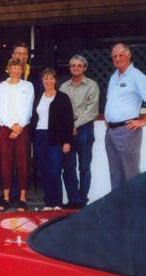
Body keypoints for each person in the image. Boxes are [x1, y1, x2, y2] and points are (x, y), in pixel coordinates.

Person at [105, 43, 146, 190]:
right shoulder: (114, 77)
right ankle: (119, 209)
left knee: (130, 175)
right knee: (115, 174)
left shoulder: (136, 75)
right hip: (111, 132)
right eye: (114, 56)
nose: (117, 58)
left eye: (121, 55)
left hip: (127, 131)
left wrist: (145, 120)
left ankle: (135, 210)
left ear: (129, 55)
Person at [0, 58, 34, 212]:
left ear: (22, 70)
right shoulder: (1, 87)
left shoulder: (28, 86)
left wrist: (19, 127)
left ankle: (22, 198)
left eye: (19, 68)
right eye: (13, 68)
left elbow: (28, 108)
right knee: (5, 163)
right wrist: (11, 126)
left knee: (23, 163)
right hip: (5, 128)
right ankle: (6, 197)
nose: (16, 71)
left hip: (22, 128)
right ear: (8, 69)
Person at [60, 55, 100, 209]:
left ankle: (82, 200)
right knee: (68, 167)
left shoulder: (92, 86)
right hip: (67, 131)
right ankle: (73, 199)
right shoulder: (63, 87)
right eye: (73, 65)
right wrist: (68, 127)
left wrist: (74, 124)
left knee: (84, 167)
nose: (75, 68)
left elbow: (92, 111)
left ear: (85, 68)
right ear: (69, 68)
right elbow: (61, 109)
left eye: (79, 65)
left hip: (84, 129)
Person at [31, 68, 74, 211]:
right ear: (42, 81)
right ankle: (48, 203)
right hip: (39, 136)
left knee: (54, 171)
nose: (48, 81)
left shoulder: (63, 97)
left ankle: (57, 203)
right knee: (43, 171)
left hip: (56, 138)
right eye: (45, 78)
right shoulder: (38, 97)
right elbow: (34, 117)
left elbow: (68, 121)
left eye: (51, 78)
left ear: (55, 80)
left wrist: (67, 141)